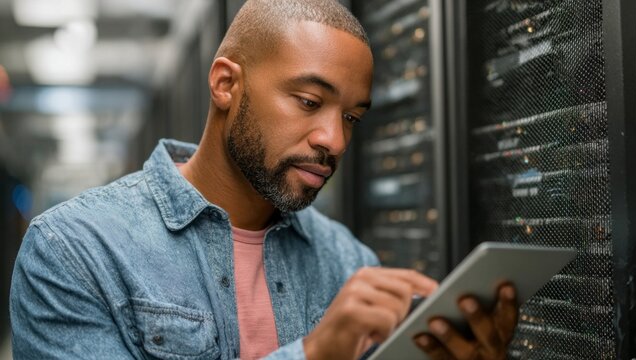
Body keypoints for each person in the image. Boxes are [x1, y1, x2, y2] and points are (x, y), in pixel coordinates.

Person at [10, 0, 517, 359]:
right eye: (310, 102)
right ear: (226, 84)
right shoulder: (75, 251)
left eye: (352, 118)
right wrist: (314, 355)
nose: (334, 141)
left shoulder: (347, 261)